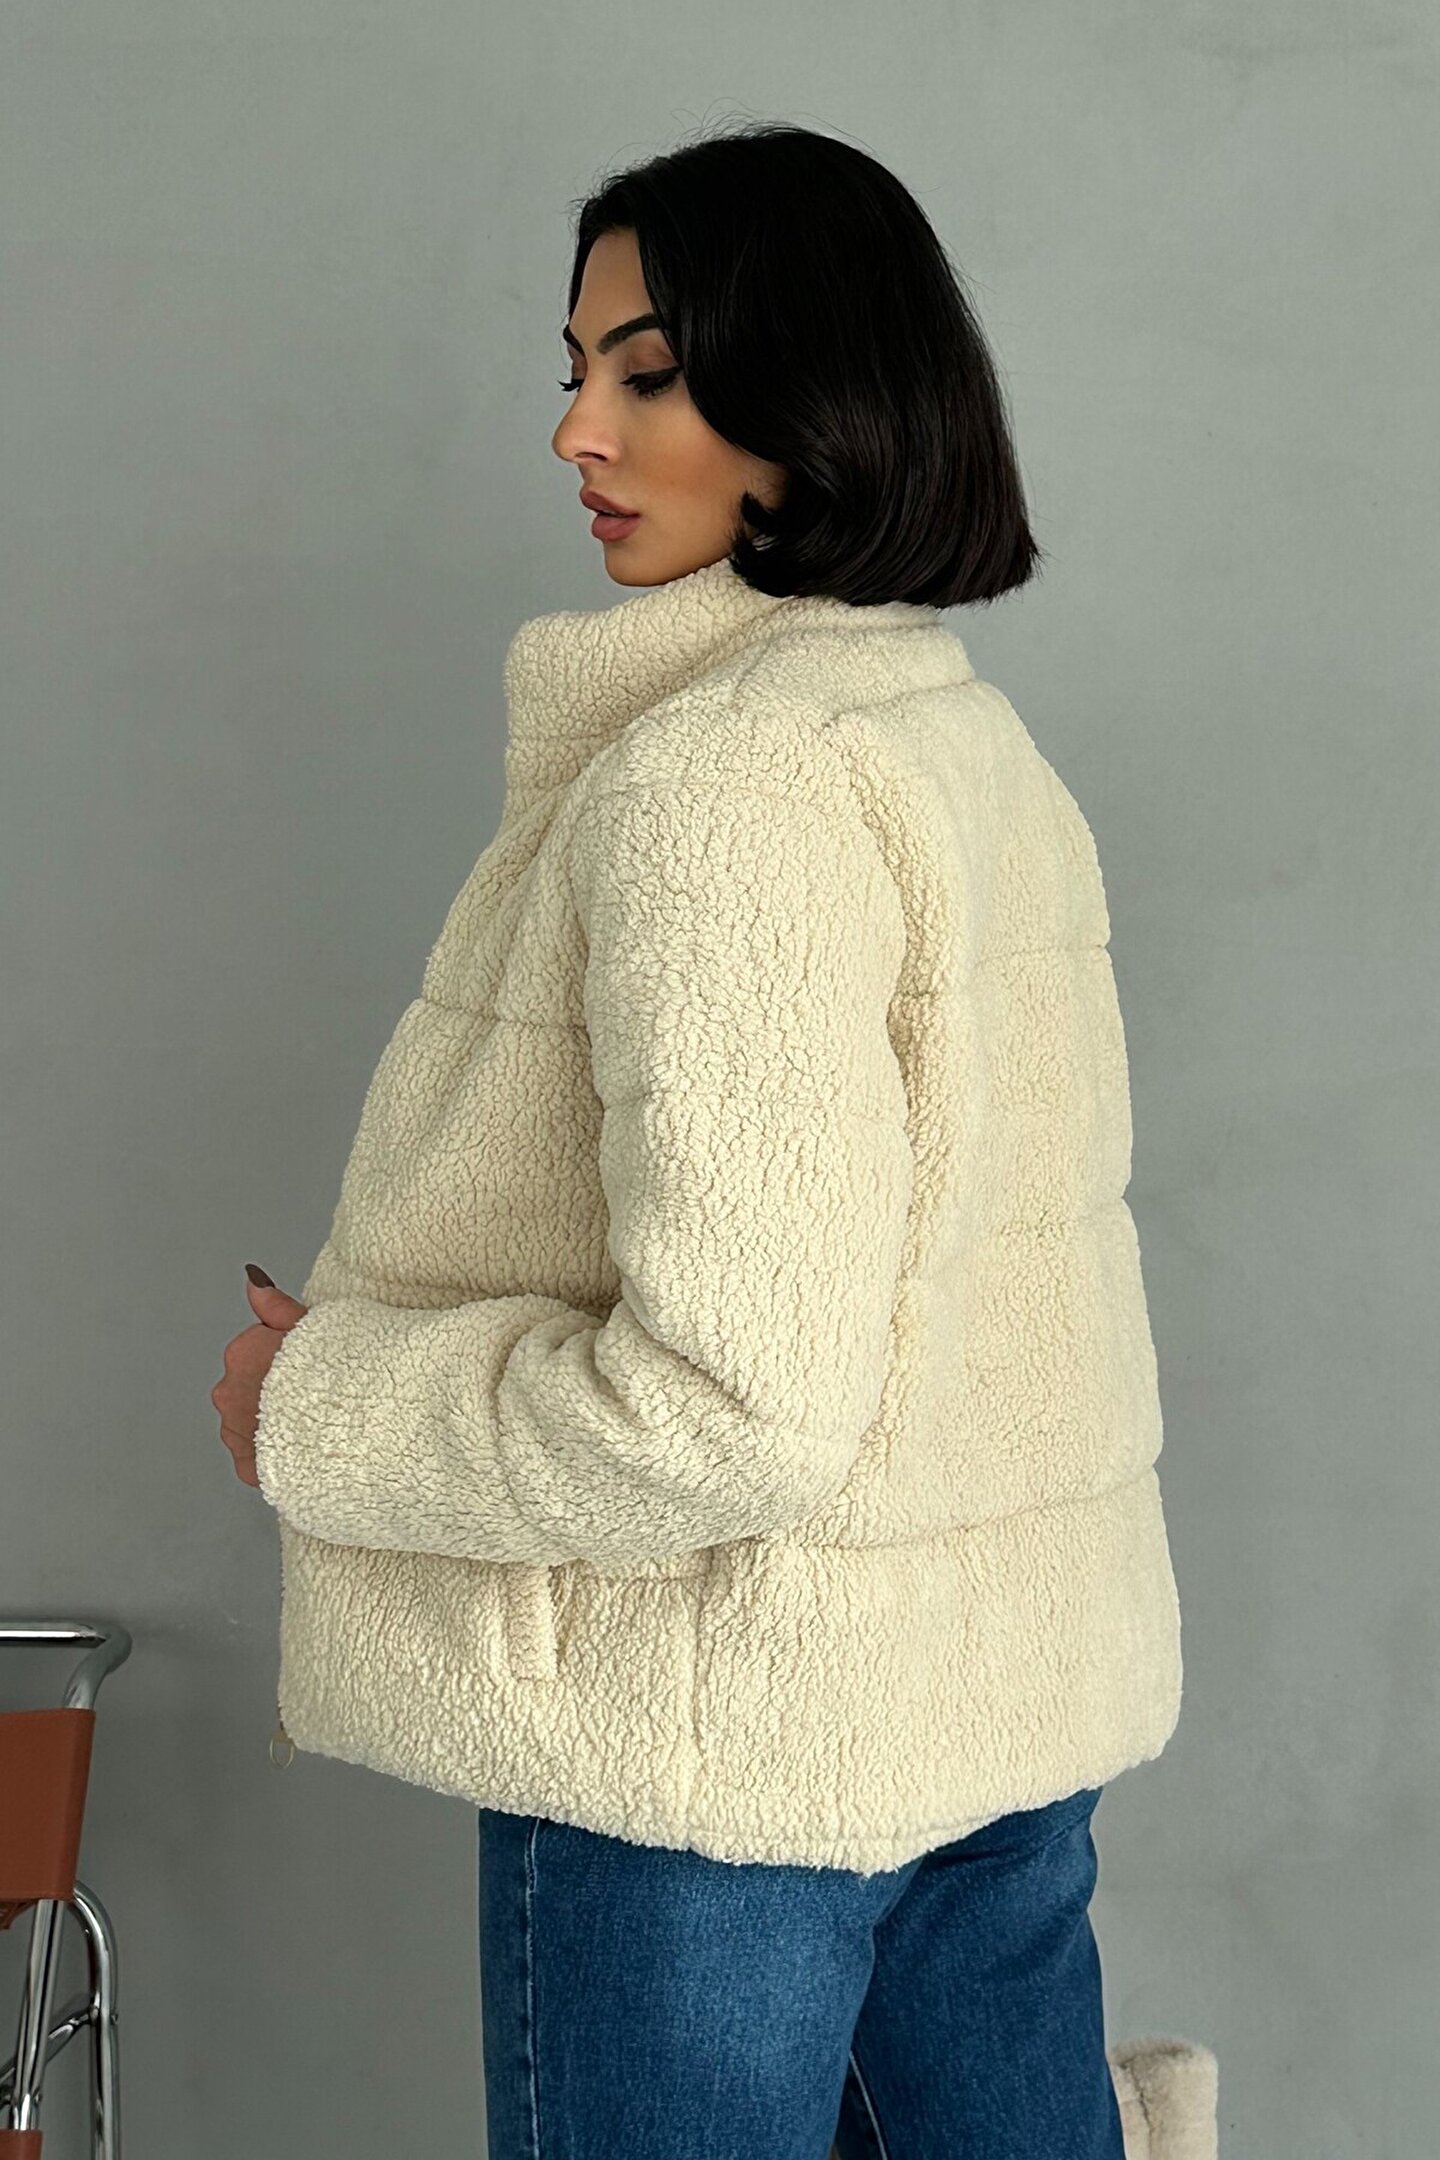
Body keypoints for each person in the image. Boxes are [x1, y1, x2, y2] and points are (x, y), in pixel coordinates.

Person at [213, 122, 1207, 2160]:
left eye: (646, 373)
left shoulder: (722, 791)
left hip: (717, 1767)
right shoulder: (962, 742)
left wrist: (320, 1408)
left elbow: (735, 1403)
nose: (576, 431)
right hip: (985, 1733)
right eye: (574, 369)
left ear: (815, 391)